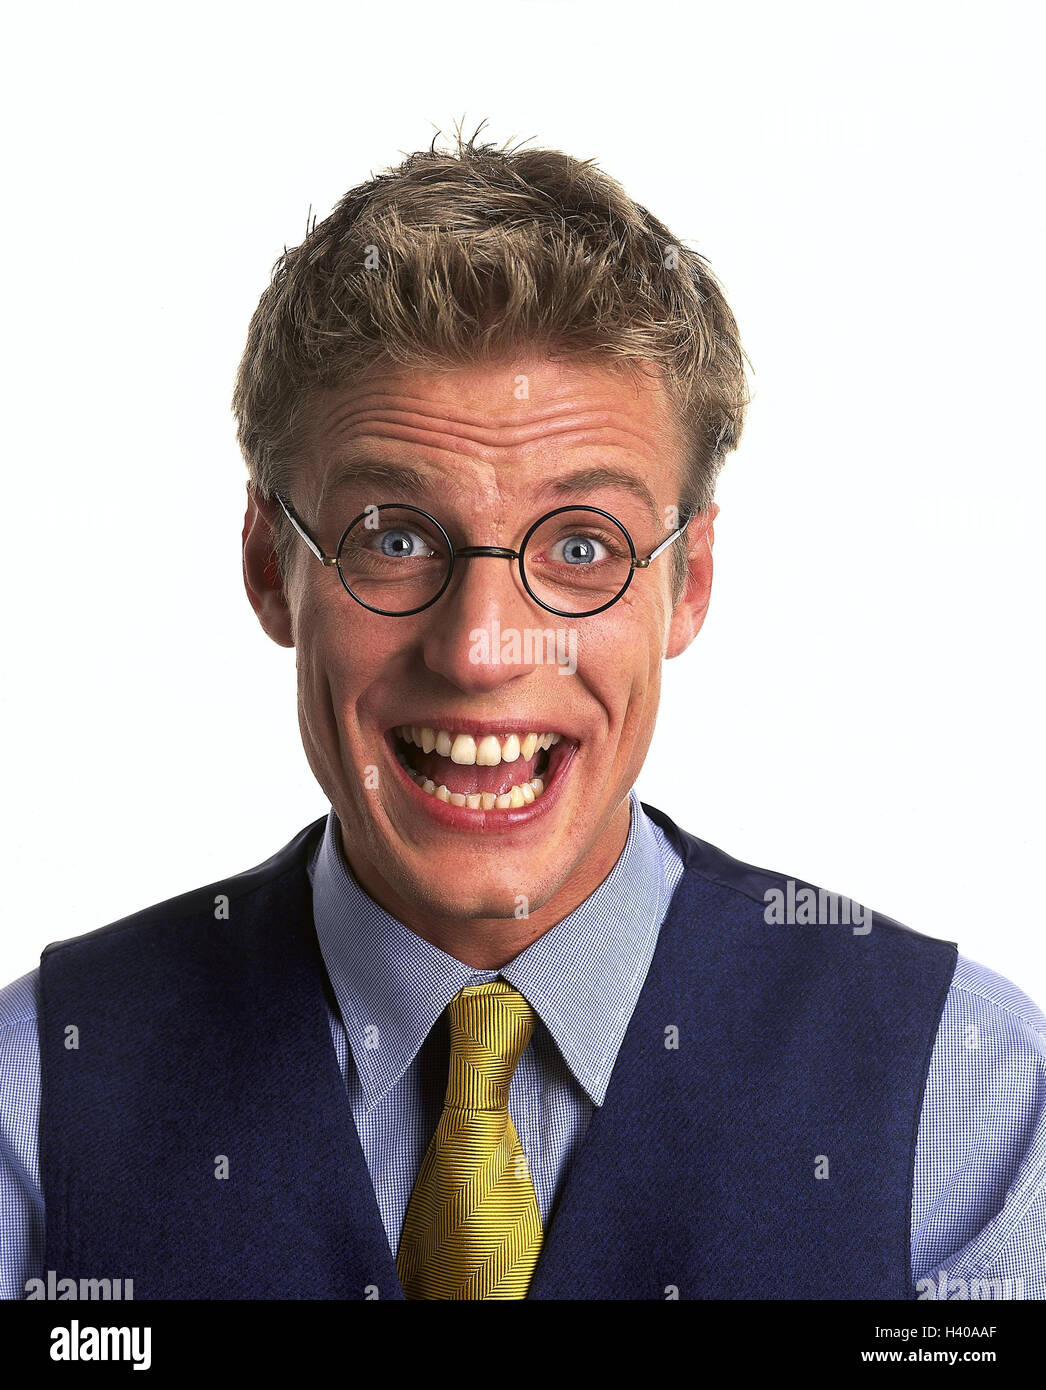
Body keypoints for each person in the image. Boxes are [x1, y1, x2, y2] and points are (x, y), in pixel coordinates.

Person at [1, 127, 1044, 1301]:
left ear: (685, 582)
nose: (483, 649)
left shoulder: (965, 1104)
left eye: (582, 545)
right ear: (264, 565)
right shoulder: (35, 1106)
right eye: (392, 537)